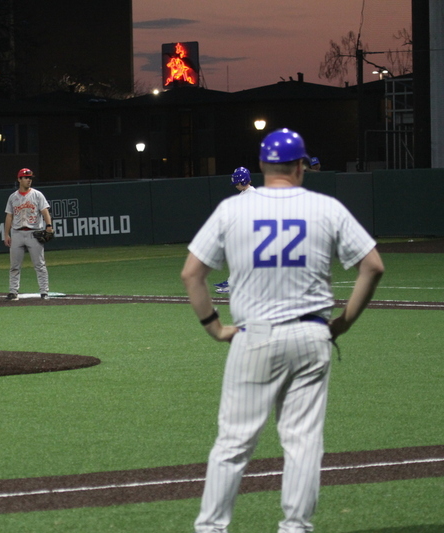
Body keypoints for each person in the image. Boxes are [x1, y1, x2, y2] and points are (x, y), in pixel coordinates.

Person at [181, 128, 384, 533]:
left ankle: (210, 529)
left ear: (260, 166)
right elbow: (373, 266)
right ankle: (295, 528)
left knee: (234, 443)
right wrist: (342, 323)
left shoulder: (232, 209)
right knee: (303, 443)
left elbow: (192, 273)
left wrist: (215, 328)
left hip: (253, 337)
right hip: (312, 338)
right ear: (300, 166)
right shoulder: (326, 207)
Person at [3, 168, 54, 300]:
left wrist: (48, 226)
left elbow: (45, 212)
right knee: (14, 265)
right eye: (26, 178)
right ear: (19, 179)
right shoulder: (13, 197)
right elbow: (9, 216)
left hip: (34, 232)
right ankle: (13, 291)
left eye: (30, 178)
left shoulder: (37, 195)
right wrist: (6, 234)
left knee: (39, 264)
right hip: (17, 233)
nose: (29, 180)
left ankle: (44, 292)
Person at [214, 167, 256, 294]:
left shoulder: (252, 194)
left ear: (243, 182)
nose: (236, 185)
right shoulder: (245, 194)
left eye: (237, 183)